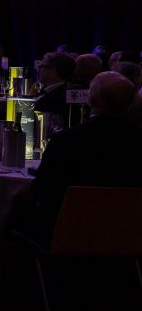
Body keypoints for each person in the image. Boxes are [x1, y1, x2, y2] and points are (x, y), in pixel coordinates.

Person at [17, 72, 142, 247]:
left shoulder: (66, 141)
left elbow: (41, 192)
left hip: (66, 236)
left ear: (91, 101)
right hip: (129, 237)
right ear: (130, 105)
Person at [32, 51, 76, 115]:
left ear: (53, 71)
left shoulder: (59, 99)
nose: (38, 69)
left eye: (41, 66)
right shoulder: (48, 91)